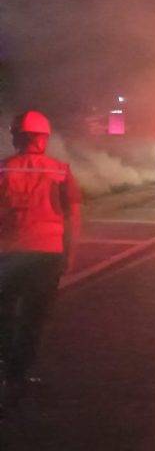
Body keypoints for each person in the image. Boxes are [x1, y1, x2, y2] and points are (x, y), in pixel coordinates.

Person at [0, 110, 81, 409]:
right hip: (47, 255)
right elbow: (73, 216)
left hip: (7, 254)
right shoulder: (60, 170)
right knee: (33, 318)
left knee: (4, 314)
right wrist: (70, 254)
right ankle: (18, 373)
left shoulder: (3, 170)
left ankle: (7, 369)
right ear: (43, 138)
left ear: (18, 137)